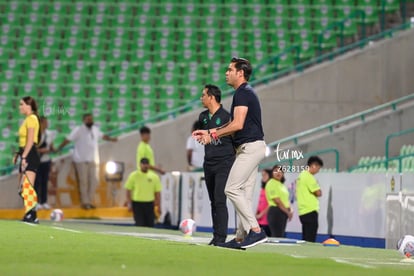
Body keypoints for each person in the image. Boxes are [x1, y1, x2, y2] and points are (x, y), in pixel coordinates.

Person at [193, 57, 267, 249]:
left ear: (240, 73)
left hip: (249, 148)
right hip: (252, 147)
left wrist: (213, 133)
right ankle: (241, 237)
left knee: (231, 189)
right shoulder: (243, 93)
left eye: (230, 70)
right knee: (245, 194)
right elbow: (233, 125)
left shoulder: (242, 93)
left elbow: (237, 124)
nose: (226, 73)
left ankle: (256, 231)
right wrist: (209, 132)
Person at [198, 84, 235, 245]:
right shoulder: (203, 117)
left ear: (211, 97)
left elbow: (234, 140)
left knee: (220, 199)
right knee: (213, 200)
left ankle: (221, 237)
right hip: (209, 163)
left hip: (224, 163)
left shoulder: (227, 117)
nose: (201, 98)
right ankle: (216, 236)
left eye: (203, 95)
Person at [56, 113, 118, 209]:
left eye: (91, 119)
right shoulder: (78, 130)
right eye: (88, 120)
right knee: (83, 182)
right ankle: (85, 202)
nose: (90, 121)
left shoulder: (95, 129)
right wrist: (60, 147)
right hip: (81, 159)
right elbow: (68, 139)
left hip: (93, 159)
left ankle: (90, 200)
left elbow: (103, 136)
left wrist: (111, 139)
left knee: (94, 181)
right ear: (84, 120)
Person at [14, 96, 41, 223]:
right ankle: (31, 213)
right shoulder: (28, 119)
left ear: (28, 106)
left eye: (21, 104)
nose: (20, 107)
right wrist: (19, 154)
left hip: (29, 154)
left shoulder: (32, 118)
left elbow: (30, 140)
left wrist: (24, 156)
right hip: (25, 153)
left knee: (27, 186)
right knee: (22, 188)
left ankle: (31, 214)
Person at [125, 158, 162, 227]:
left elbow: (157, 192)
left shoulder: (154, 177)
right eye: (143, 164)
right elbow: (128, 190)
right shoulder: (134, 175)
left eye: (147, 164)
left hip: (149, 203)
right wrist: (129, 203)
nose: (145, 166)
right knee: (139, 223)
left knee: (150, 224)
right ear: (140, 165)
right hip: (137, 203)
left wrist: (159, 205)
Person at [296, 156, 323, 242]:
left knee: (305, 237)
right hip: (310, 210)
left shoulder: (301, 175)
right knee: (310, 238)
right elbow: (318, 192)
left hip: (302, 211)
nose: (318, 171)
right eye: (318, 168)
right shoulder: (309, 177)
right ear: (314, 165)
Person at [34, 116, 55, 210]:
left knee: (44, 182)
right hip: (37, 161)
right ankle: (36, 202)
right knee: (36, 182)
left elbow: (51, 146)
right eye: (45, 122)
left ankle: (44, 202)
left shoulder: (49, 134)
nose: (47, 124)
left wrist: (53, 149)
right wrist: (41, 150)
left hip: (46, 161)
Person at [266, 165, 293, 237]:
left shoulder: (282, 185)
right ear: (272, 173)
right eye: (276, 171)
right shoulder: (271, 183)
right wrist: (288, 212)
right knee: (277, 236)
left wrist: (290, 209)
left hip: (283, 212)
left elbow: (286, 200)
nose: (278, 173)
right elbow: (277, 201)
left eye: (280, 171)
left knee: (280, 235)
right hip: (276, 212)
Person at [255, 169, 272, 237]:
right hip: (260, 220)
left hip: (267, 219)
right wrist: (256, 214)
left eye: (265, 175)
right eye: (262, 175)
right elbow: (260, 203)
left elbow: (271, 203)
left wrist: (261, 214)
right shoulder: (263, 189)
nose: (263, 177)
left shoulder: (271, 187)